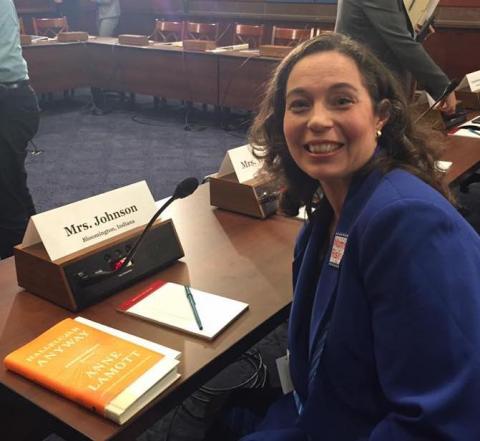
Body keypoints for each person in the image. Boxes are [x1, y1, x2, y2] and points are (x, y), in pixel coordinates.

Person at [223, 33, 480, 440]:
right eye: (299, 104)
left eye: (341, 101)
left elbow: (441, 421)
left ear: (381, 116)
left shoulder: (407, 221)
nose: (317, 120)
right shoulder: (328, 213)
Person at [335, 0, 457, 114]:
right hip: (368, 87)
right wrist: (443, 88)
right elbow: (400, 41)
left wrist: (414, 33)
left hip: (372, 85)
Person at [0, 0, 40, 259]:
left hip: (8, 103)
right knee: (13, 186)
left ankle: (14, 270)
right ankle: (39, 255)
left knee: (7, 199)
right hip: (13, 100)